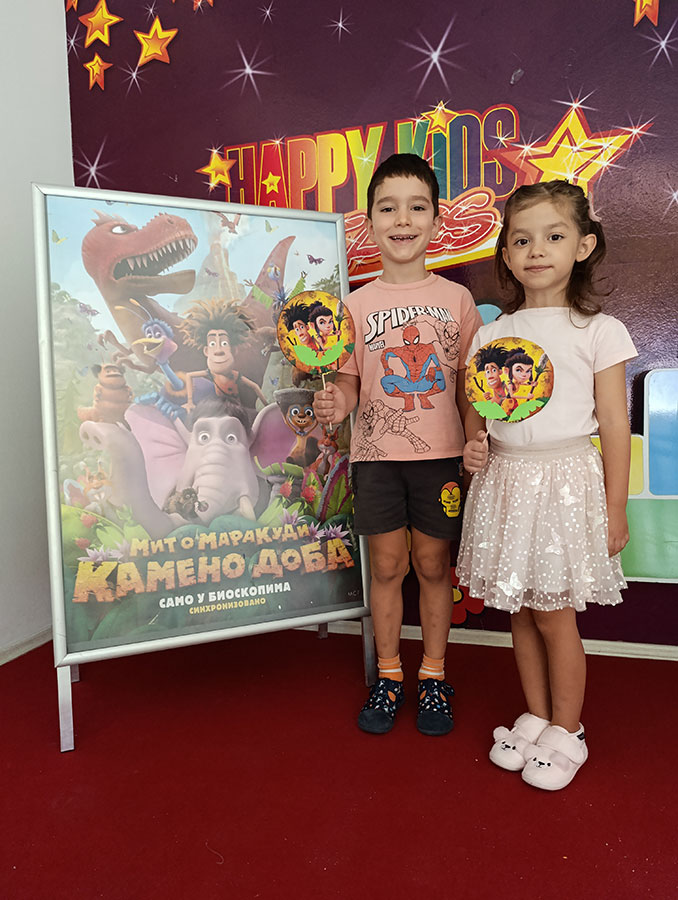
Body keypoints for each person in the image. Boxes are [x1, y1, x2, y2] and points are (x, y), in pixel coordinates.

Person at [457, 180, 637, 790]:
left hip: (565, 483)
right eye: (521, 240)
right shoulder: (490, 336)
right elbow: (478, 415)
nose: (536, 250)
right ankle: (535, 715)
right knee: (520, 609)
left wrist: (616, 506)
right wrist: (475, 445)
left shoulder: (599, 330)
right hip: (507, 482)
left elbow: (614, 424)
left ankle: (569, 729)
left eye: (553, 236)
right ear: (506, 254)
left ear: (583, 246)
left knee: (555, 613)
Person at [314, 153, 482, 736]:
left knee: (433, 565)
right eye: (388, 208)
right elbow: (348, 382)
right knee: (386, 567)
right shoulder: (354, 305)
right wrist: (337, 401)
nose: (403, 220)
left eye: (417, 207)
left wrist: (475, 439)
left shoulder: (458, 301)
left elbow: (469, 388)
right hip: (377, 460)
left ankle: (433, 675)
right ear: (369, 222)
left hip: (440, 460)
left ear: (437, 219)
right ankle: (389, 675)